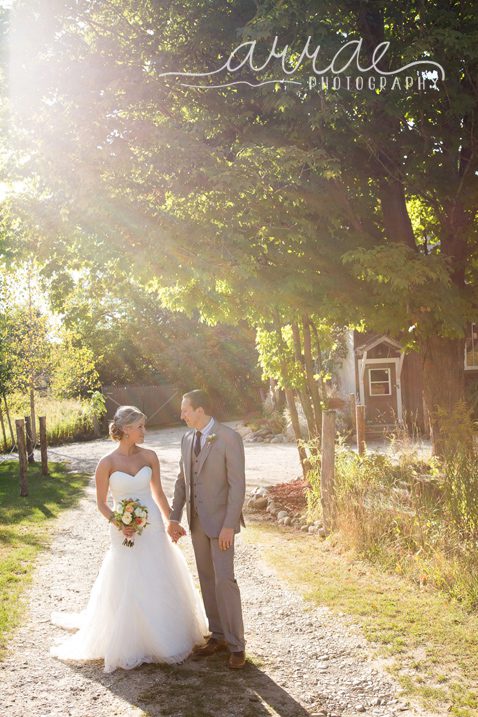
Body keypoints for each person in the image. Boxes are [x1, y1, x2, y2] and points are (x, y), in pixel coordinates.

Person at [50, 406, 207, 673]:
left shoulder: (150, 457)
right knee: (128, 578)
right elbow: (101, 503)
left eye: (144, 427)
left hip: (153, 526)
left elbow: (157, 493)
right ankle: (130, 638)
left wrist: (171, 520)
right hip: (123, 529)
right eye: (140, 427)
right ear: (125, 430)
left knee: (158, 574)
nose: (145, 431)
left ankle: (165, 636)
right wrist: (120, 523)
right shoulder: (107, 463)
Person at [167, 389, 246, 669]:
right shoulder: (187, 439)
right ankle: (218, 635)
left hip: (222, 524)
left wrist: (229, 525)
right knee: (206, 578)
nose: (182, 415)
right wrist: (174, 517)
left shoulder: (228, 437)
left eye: (185, 410)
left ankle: (237, 645)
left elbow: (238, 486)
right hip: (197, 522)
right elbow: (182, 482)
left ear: (200, 410)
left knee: (225, 580)